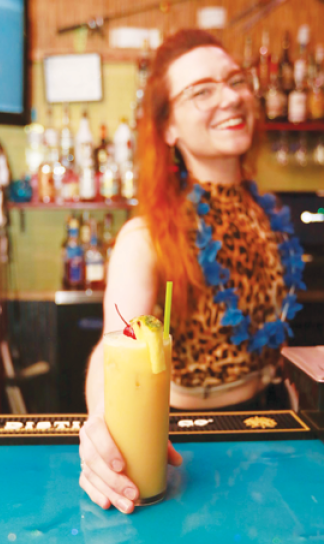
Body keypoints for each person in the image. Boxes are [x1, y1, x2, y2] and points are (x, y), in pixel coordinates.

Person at [79, 29, 304, 513]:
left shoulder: (269, 215)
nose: (231, 97)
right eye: (201, 91)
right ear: (168, 128)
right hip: (190, 449)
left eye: (236, 81)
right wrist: (102, 421)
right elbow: (114, 344)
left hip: (273, 433)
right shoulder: (147, 237)